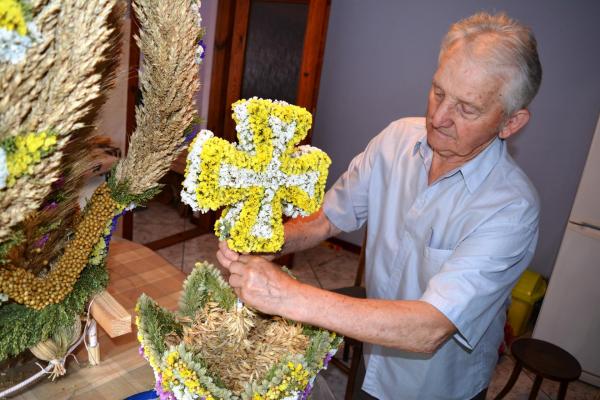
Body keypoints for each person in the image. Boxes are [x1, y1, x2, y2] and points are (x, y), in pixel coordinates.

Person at [217, 11, 542, 400]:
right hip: (373, 355)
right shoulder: (396, 139)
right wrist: (269, 241)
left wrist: (284, 295)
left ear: (510, 122)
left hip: (435, 387)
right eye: (438, 92)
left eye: (467, 109)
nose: (438, 118)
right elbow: (328, 219)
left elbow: (430, 327)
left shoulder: (511, 209)